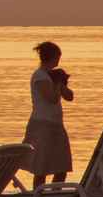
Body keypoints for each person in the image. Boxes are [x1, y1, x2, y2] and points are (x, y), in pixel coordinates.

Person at [21, 41, 74, 188]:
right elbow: (51, 98)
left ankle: (54, 196)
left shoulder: (53, 75)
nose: (59, 60)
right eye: (58, 57)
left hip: (56, 125)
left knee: (62, 165)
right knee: (41, 168)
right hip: (42, 125)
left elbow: (70, 97)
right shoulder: (40, 76)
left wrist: (62, 83)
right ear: (52, 57)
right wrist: (56, 83)